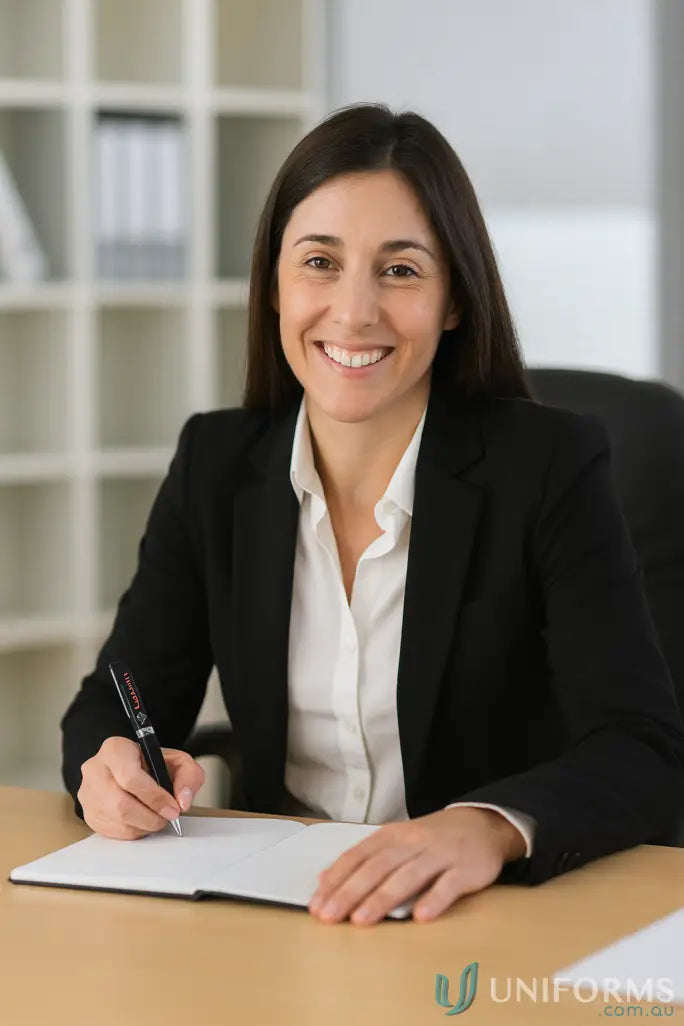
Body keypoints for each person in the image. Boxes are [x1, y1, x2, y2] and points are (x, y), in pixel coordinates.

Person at [61, 102, 684, 927]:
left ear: (454, 300)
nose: (354, 313)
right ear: (275, 286)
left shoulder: (549, 467)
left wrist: (488, 828)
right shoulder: (218, 465)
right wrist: (109, 768)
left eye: (399, 270)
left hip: (476, 914)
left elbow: (641, 745)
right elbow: (118, 699)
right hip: (276, 910)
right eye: (319, 261)